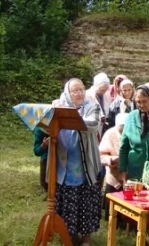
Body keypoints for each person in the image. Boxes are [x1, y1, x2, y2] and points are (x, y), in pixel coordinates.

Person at [54, 78, 102, 246]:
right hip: (64, 166)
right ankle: (67, 234)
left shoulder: (92, 107)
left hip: (86, 166)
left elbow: (92, 124)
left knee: (86, 202)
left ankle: (86, 237)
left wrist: (69, 118)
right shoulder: (58, 106)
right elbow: (46, 123)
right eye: (75, 90)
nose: (80, 93)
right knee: (67, 201)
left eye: (82, 89)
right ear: (68, 92)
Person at [99, 113, 129, 221]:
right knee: (112, 209)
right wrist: (111, 159)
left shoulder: (135, 133)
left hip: (130, 175)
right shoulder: (109, 134)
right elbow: (101, 155)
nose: (123, 129)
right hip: (113, 175)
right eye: (121, 126)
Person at [85, 72, 112, 137]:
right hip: (94, 126)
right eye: (101, 90)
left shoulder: (107, 94)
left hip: (104, 126)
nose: (103, 92)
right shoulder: (87, 95)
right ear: (95, 86)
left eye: (105, 90)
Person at [33, 127, 50, 192]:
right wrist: (43, 146)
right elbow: (36, 151)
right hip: (46, 160)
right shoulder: (39, 129)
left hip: (62, 159)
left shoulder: (64, 129)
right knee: (45, 185)